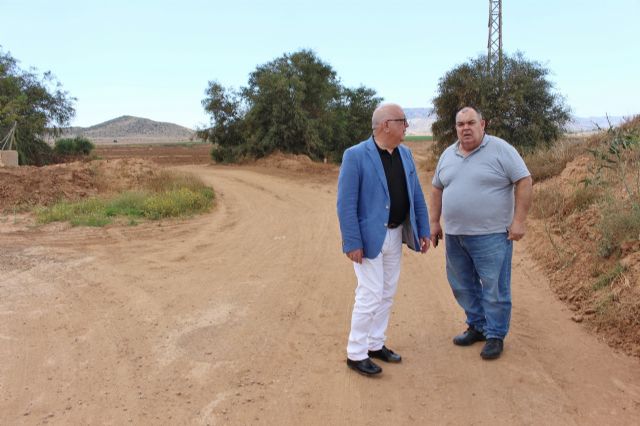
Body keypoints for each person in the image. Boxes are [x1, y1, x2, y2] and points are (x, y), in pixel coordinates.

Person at [430, 106, 532, 360]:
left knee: (494, 288)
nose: (465, 127)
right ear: (456, 128)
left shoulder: (501, 149)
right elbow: (436, 189)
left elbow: (524, 181)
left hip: (492, 235)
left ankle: (495, 335)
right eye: (460, 123)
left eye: (470, 122)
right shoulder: (448, 154)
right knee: (462, 285)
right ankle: (477, 326)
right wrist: (434, 222)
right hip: (455, 236)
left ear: (482, 124)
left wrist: (518, 221)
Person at [337, 103, 430, 376]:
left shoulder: (406, 154)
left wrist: (423, 229)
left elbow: (416, 196)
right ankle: (356, 353)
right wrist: (352, 241)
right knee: (370, 294)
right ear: (385, 125)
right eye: (403, 121)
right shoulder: (355, 155)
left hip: (396, 234)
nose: (407, 127)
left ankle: (375, 344)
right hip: (368, 239)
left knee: (387, 292)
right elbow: (346, 203)